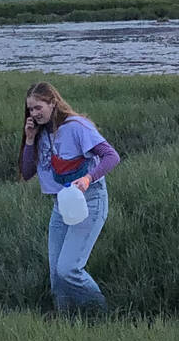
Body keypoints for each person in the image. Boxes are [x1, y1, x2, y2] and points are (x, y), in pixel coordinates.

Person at [18, 80, 122, 315]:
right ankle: (66, 322)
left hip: (90, 200)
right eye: (30, 110)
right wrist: (30, 139)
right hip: (61, 205)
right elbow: (26, 172)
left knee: (68, 269)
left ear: (53, 103)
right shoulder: (41, 133)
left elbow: (111, 156)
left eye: (38, 108)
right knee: (56, 276)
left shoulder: (76, 126)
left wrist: (88, 178)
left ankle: (102, 314)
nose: (34, 114)